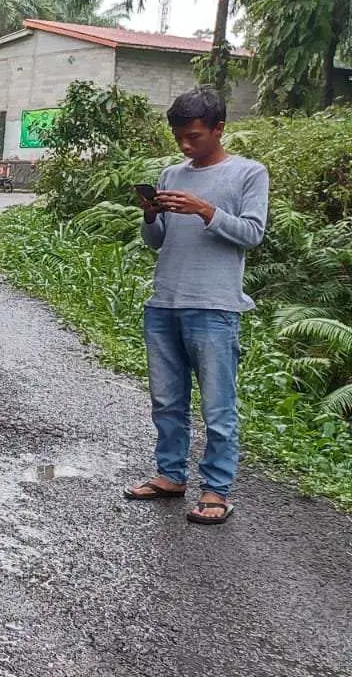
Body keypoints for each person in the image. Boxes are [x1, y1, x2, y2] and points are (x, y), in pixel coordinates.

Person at [122, 87, 268, 526]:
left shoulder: (248, 173)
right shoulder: (171, 173)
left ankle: (216, 489)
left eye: (195, 136)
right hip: (164, 300)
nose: (185, 145)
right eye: (179, 136)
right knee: (166, 400)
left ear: (219, 129)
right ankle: (170, 474)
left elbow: (253, 233)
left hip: (215, 305)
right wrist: (150, 214)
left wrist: (206, 210)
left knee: (217, 407)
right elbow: (157, 240)